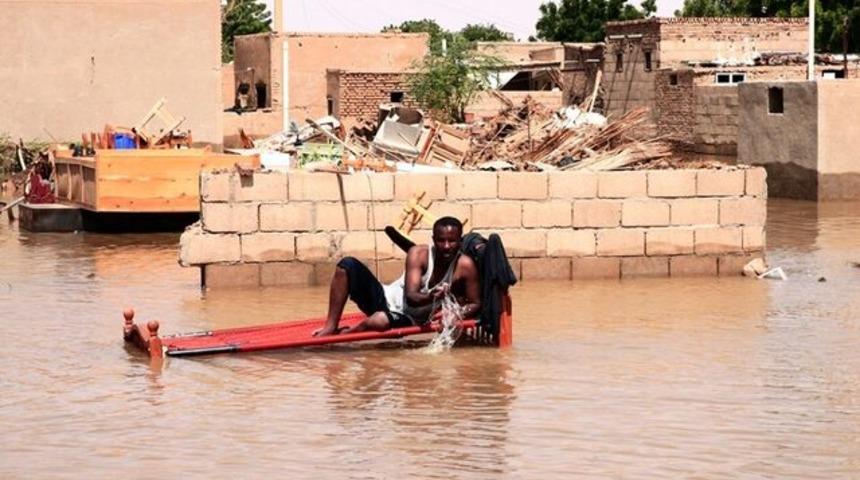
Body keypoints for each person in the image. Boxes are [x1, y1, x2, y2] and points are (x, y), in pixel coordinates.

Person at [313, 216, 481, 336]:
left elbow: (475, 303)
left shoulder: (465, 266)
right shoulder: (419, 254)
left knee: (380, 321)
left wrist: (455, 314)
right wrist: (431, 297)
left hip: (411, 317)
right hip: (383, 299)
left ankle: (350, 332)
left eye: (451, 241)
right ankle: (331, 326)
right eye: (440, 241)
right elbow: (411, 296)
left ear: (460, 241)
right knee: (346, 265)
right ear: (433, 239)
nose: (446, 246)